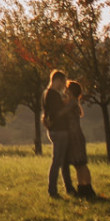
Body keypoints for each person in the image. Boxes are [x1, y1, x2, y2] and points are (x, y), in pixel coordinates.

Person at [41, 70, 76, 198]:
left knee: (64, 161)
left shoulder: (46, 94)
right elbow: (58, 113)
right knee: (57, 161)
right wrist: (71, 104)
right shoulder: (53, 95)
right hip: (60, 130)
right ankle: (53, 190)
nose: (64, 86)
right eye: (63, 82)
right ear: (57, 80)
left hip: (54, 129)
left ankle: (69, 187)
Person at [63, 80, 99, 200]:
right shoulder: (74, 103)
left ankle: (87, 187)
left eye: (67, 88)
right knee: (79, 164)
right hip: (75, 136)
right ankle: (83, 187)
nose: (65, 90)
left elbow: (61, 112)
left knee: (81, 164)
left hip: (75, 137)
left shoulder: (72, 103)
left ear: (71, 91)